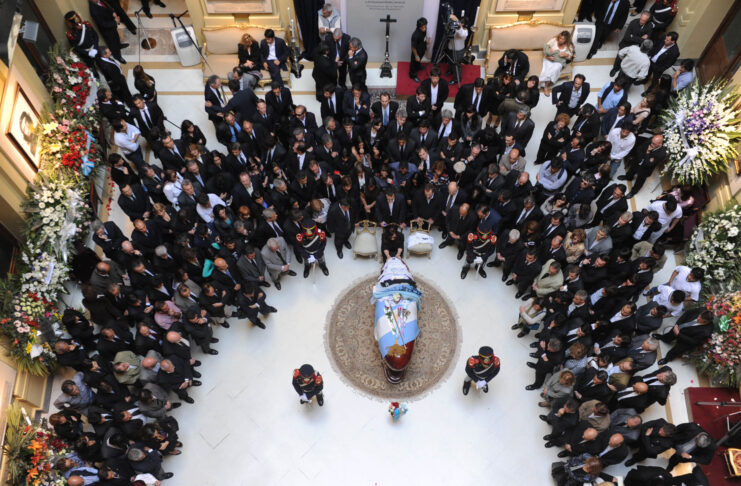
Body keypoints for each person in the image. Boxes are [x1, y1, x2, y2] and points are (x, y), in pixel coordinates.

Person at [539, 31, 574, 95]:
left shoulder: (569, 45)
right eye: (560, 38)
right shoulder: (554, 40)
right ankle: (545, 87)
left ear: (566, 40)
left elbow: (570, 58)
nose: (560, 40)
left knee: (555, 69)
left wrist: (566, 55)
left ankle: (540, 82)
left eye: (563, 39)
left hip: (559, 62)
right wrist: (548, 57)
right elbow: (546, 48)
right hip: (549, 59)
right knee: (546, 70)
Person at [410, 18, 428, 83]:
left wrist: (426, 42)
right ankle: (413, 75)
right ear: (419, 27)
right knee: (414, 63)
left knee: (419, 60)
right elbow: (413, 47)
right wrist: (416, 56)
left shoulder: (424, 30)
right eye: (423, 27)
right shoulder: (415, 35)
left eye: (425, 26)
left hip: (422, 48)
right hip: (416, 51)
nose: (425, 28)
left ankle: (418, 67)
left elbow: (423, 39)